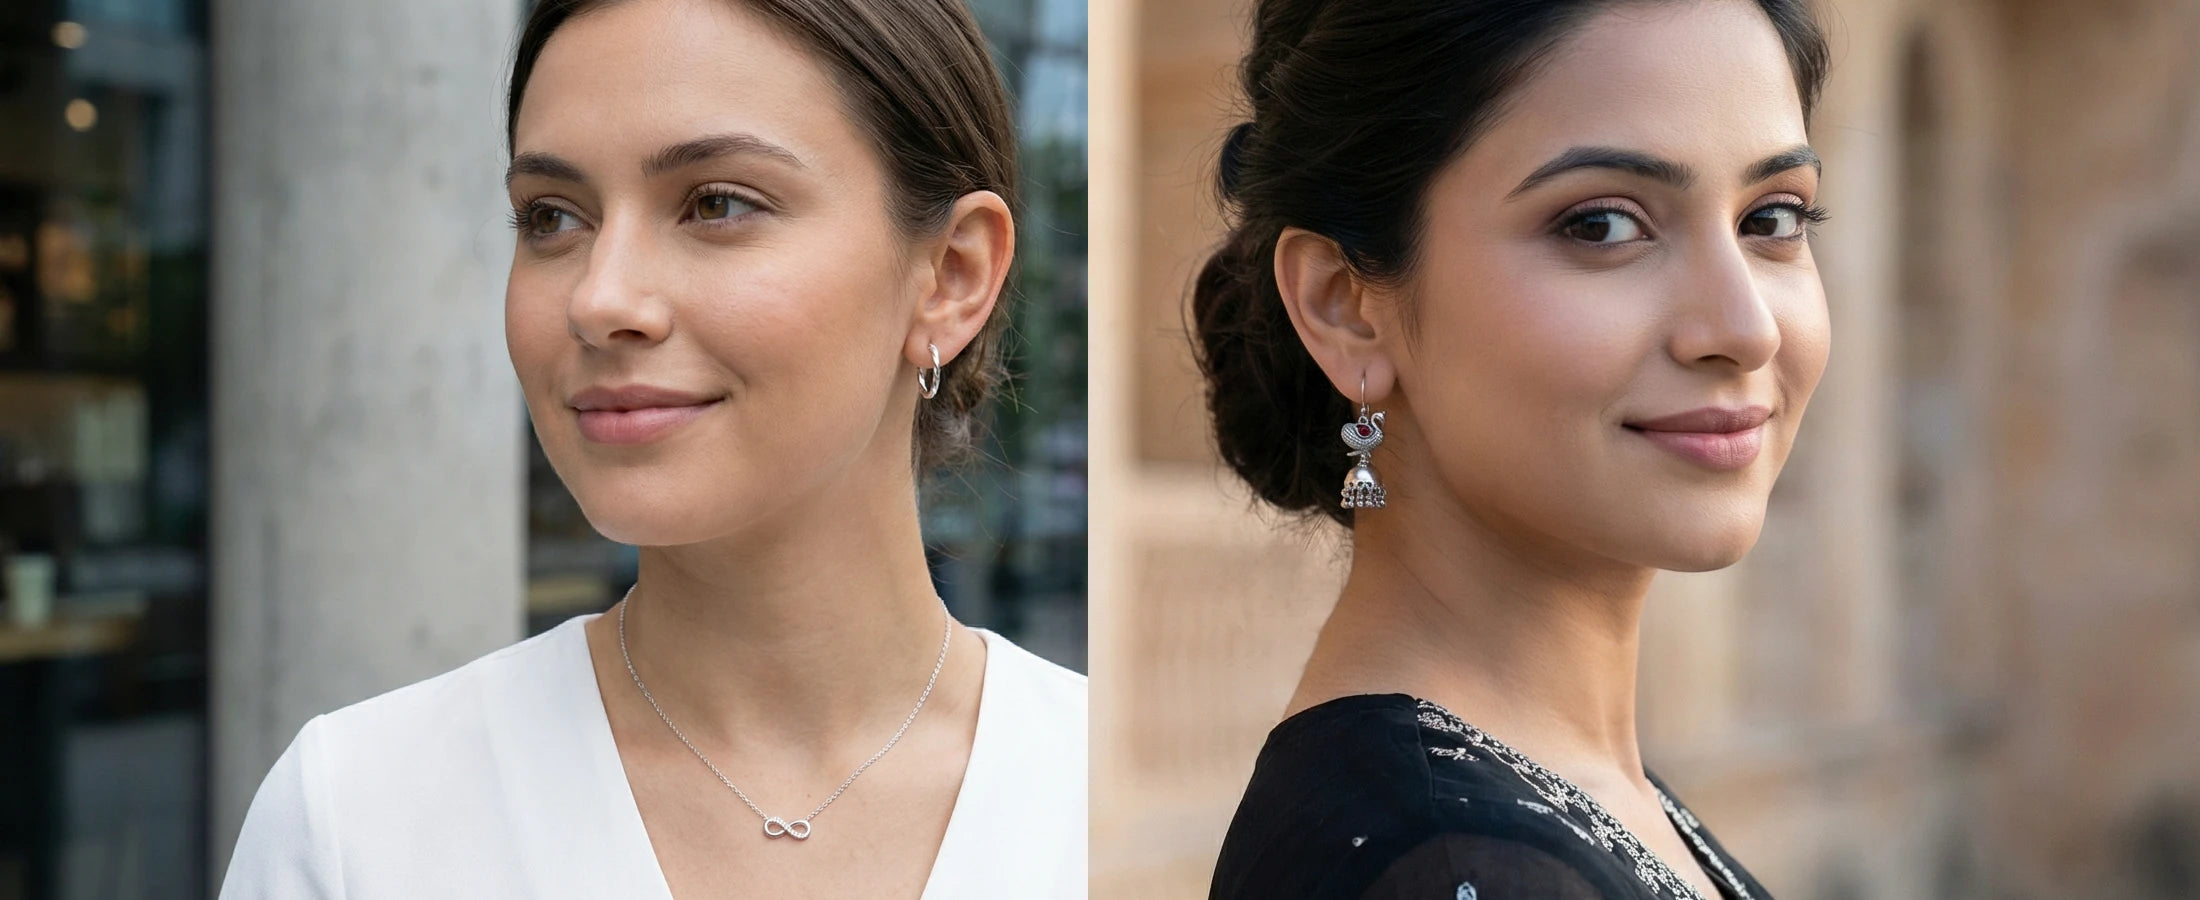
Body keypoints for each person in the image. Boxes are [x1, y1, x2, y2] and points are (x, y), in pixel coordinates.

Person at [219, 0, 1085, 896]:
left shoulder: (1117, 805)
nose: (599, 299)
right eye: (551, 217)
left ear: (951, 276)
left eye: (716, 203)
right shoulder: (359, 817)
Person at [1193, 0, 1832, 896]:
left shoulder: (1558, 797)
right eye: (1603, 224)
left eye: (1772, 220)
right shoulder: (1456, 861)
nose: (1744, 328)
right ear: (1345, 305)